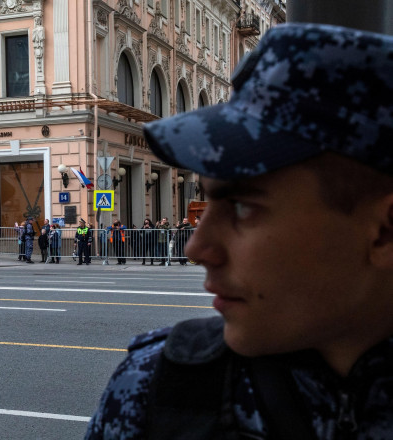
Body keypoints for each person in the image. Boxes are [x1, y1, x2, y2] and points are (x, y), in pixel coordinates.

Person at [86, 23, 393, 440]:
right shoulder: (156, 387)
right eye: (209, 199)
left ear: (383, 232)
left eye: (245, 206)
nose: (196, 247)